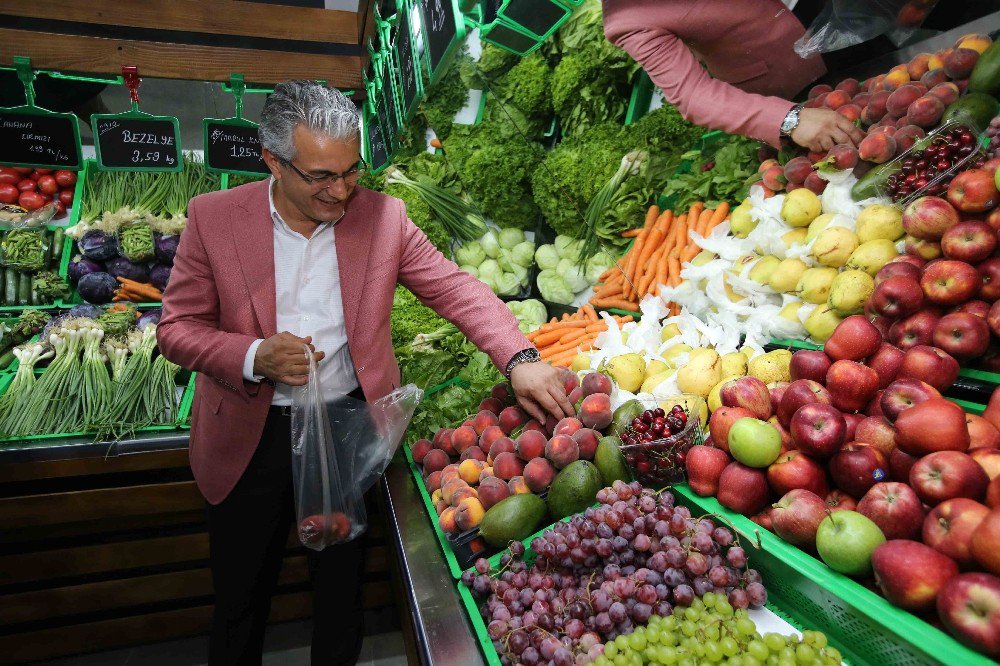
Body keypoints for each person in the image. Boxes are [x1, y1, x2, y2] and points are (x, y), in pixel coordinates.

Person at [156, 80, 574, 665]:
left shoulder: (384, 219)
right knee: (240, 595)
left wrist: (520, 357)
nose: (341, 190)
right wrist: (254, 356)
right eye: (320, 176)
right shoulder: (214, 219)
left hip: (347, 427)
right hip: (247, 437)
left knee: (340, 588)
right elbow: (176, 330)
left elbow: (456, 290)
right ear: (273, 160)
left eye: (351, 171)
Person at [601, 0, 867, 152]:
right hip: (791, 74)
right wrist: (789, 120)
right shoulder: (627, 19)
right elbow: (692, 95)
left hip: (843, 9)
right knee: (865, 127)